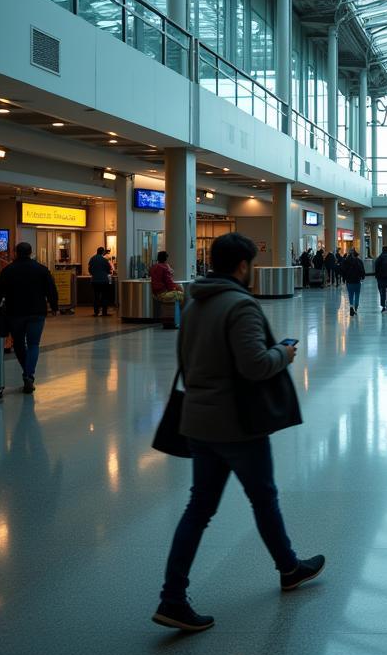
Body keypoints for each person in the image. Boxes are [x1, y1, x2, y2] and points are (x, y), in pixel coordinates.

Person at [154, 232, 323, 633]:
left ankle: (172, 597)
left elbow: (185, 358)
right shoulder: (241, 306)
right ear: (243, 266)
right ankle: (288, 568)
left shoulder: (195, 302)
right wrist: (283, 353)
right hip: (237, 424)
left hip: (198, 420)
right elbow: (254, 366)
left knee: (199, 509)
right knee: (263, 498)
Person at [0, 242, 58, 394]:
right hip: (37, 313)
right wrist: (55, 307)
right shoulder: (41, 270)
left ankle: (27, 373)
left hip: (15, 313)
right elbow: (51, 290)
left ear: (15, 253)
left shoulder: (8, 270)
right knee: (33, 344)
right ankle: (29, 375)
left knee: (19, 344)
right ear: (31, 252)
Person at [88, 246, 112, 316]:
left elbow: (89, 269)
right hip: (104, 281)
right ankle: (104, 312)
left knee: (96, 297)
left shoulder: (92, 259)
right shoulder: (104, 260)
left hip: (95, 281)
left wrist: (94, 274)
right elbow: (108, 270)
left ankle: (96, 312)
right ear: (103, 252)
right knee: (104, 296)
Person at [341, 249, 365, 316]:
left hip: (349, 281)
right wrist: (362, 277)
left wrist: (343, 279)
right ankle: (356, 309)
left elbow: (343, 271)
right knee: (357, 294)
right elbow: (362, 270)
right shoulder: (359, 261)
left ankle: (351, 306)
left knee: (350, 294)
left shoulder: (346, 261)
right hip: (357, 281)